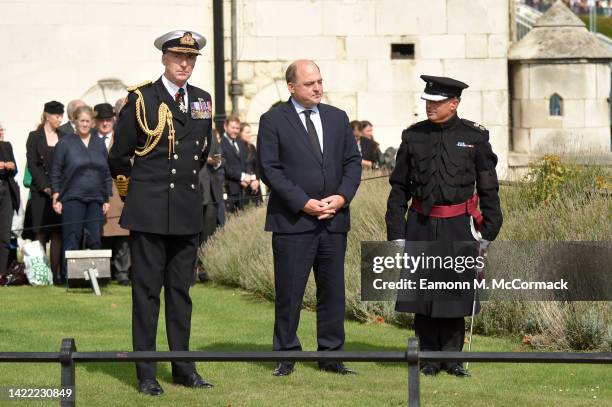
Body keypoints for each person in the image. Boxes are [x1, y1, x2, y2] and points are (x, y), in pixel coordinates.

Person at [108, 30, 214, 395]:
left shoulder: (202, 99)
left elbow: (200, 152)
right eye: (177, 57)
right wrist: (132, 195)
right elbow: (119, 157)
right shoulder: (142, 99)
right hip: (149, 210)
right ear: (164, 59)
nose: (185, 63)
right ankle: (147, 374)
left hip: (185, 209)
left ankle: (184, 368)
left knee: (181, 294)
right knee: (147, 295)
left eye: (191, 58)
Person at [385, 75, 503, 377]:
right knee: (423, 298)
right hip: (421, 225)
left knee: (454, 296)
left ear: (454, 103)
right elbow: (399, 188)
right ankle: (427, 360)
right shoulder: (413, 136)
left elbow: (488, 187)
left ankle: (452, 360)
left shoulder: (475, 137)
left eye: (436, 102)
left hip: (458, 227)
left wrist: (489, 231)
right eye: (427, 101)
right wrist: (396, 232)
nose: (429, 107)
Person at [257, 59, 362, 377]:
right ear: (291, 87)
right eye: (309, 83)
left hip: (333, 220)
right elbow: (269, 169)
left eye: (319, 81)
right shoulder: (273, 119)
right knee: (290, 292)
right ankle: (286, 354)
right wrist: (303, 203)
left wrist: (341, 198)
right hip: (293, 221)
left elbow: (353, 162)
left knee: (332, 291)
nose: (318, 87)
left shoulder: (337, 117)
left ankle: (331, 355)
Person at [50, 105, 111, 271]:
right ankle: (69, 275)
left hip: (96, 198)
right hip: (72, 198)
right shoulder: (65, 143)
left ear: (92, 123)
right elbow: (55, 171)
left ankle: (96, 276)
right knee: (72, 237)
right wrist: (56, 195)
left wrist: (106, 198)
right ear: (75, 122)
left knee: (95, 238)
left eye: (88, 121)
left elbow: (106, 172)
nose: (85, 124)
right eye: (82, 120)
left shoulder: (99, 144)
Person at [25, 101, 65, 283]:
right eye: (57, 115)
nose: (60, 119)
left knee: (57, 232)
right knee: (40, 232)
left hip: (59, 191)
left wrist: (57, 189)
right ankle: (41, 274)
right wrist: (46, 187)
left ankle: (55, 274)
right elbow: (33, 164)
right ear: (47, 115)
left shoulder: (64, 137)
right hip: (41, 192)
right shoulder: (34, 137)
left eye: (61, 115)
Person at [94, 103, 130, 286]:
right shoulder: (89, 139)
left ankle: (122, 272)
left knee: (123, 234)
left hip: (118, 190)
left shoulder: (121, 137)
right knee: (100, 234)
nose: (105, 123)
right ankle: (103, 271)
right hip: (96, 191)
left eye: (108, 120)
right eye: (101, 120)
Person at [196, 127, 224, 283]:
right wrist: (206, 158)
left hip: (211, 192)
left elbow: (220, 157)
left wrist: (216, 161)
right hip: (194, 190)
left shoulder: (212, 133)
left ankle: (204, 269)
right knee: (193, 234)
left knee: (208, 234)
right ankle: (190, 271)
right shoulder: (189, 131)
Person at [220, 115, 252, 213]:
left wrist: (248, 176)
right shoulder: (220, 144)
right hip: (230, 190)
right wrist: (241, 177)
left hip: (244, 189)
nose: (235, 131)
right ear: (225, 127)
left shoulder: (240, 142)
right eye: (233, 128)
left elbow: (247, 161)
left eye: (237, 128)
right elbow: (225, 167)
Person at [0, 122, 20, 275]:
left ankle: (2, 273)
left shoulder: (7, 146)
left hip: (6, 190)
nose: (1, 132)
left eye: (1, 129)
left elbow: (15, 170)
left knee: (4, 235)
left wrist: (11, 166)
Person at [238, 123, 261, 205]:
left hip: (255, 186)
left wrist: (257, 180)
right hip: (244, 185)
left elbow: (258, 166)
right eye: (247, 132)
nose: (250, 135)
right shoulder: (237, 148)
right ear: (240, 133)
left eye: (250, 132)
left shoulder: (252, 147)